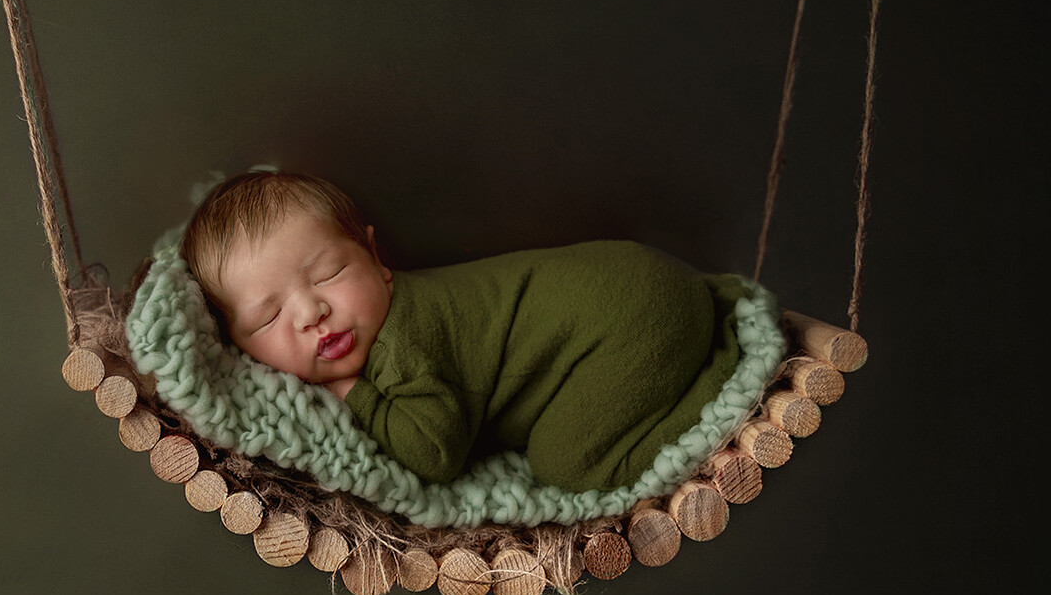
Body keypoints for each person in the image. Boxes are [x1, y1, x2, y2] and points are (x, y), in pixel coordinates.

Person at [182, 170, 748, 493]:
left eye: (329, 274)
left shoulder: (405, 341)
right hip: (632, 290)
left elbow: (434, 453)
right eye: (269, 317)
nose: (311, 313)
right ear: (237, 344)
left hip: (636, 316)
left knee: (568, 465)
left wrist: (350, 392)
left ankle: (724, 377)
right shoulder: (383, 321)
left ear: (376, 256)